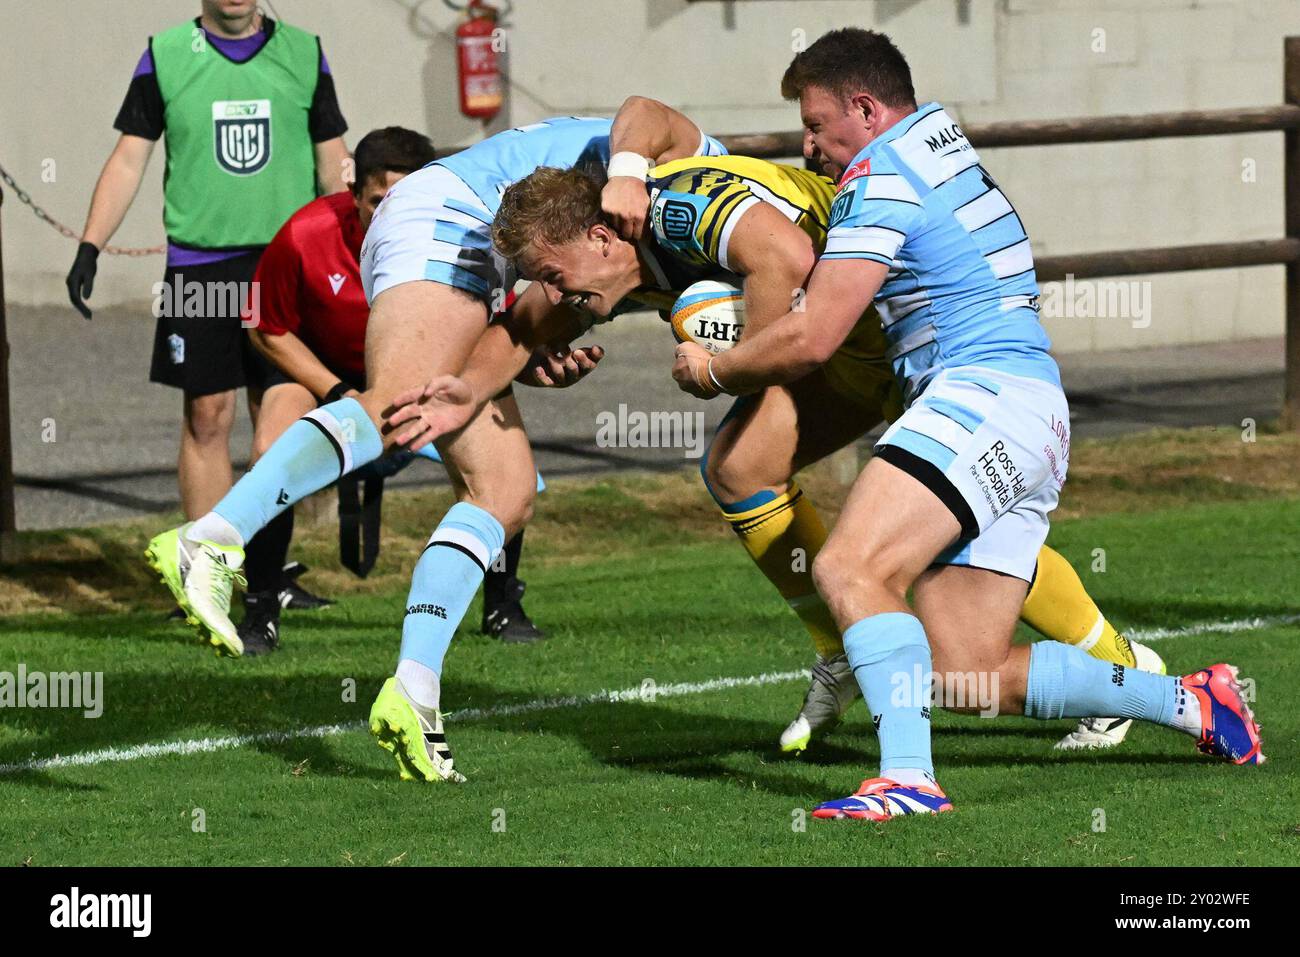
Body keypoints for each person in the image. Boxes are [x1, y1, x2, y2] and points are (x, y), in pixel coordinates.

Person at [668, 28, 1262, 819]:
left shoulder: (879, 174)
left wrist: (713, 367)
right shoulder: (938, 143)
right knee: (961, 669)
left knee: (850, 568)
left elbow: (814, 338)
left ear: (865, 107)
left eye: (816, 125)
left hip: (979, 397)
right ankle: (1196, 703)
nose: (807, 146)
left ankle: (909, 780)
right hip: (1028, 413)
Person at [388, 153, 1166, 755]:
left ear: (598, 235)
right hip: (845, 347)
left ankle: (1118, 665)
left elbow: (784, 258)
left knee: (942, 536)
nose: (553, 294)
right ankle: (843, 648)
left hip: (886, 334)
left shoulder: (679, 209)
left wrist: (730, 362)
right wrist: (460, 390)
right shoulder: (603, 263)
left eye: (552, 275)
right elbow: (524, 329)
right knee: (747, 470)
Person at [146, 100, 720, 785]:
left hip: (478, 251)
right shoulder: (707, 178)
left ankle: (412, 690)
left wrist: (542, 351)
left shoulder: (682, 254)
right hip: (452, 215)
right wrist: (627, 169)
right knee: (393, 402)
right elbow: (647, 110)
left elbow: (541, 317)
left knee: (503, 490)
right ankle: (212, 535)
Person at [238, 126, 543, 654]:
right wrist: (337, 393)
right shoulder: (305, 234)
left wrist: (549, 358)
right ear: (353, 191)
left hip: (424, 382)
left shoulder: (463, 234)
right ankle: (261, 606)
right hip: (323, 375)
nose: (388, 212)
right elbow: (266, 327)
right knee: (270, 448)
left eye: (401, 198)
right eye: (377, 200)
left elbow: (503, 333)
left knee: (511, 476)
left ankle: (502, 603)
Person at [65, 0, 349, 543]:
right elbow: (130, 158)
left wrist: (356, 254)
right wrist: (90, 245)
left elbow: (333, 162)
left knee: (281, 420)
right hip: (200, 269)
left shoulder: (303, 51)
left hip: (285, 266)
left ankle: (268, 579)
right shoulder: (166, 54)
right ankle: (205, 572)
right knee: (206, 416)